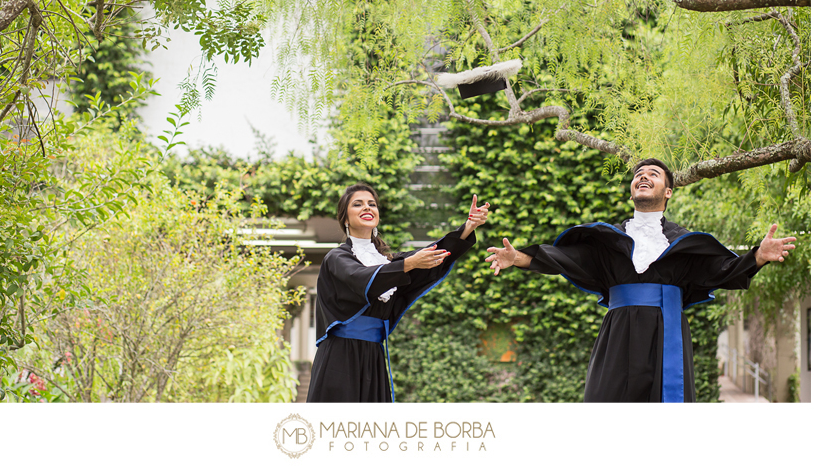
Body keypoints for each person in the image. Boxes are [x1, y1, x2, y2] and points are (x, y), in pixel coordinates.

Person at [485, 158, 795, 403]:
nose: (643, 177)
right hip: (617, 334)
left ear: (668, 191)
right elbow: (567, 259)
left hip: (667, 333)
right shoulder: (607, 240)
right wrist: (518, 258)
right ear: (632, 188)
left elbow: (722, 270)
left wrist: (758, 256)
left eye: (653, 174)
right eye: (639, 174)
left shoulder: (685, 243)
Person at [306, 183, 489, 402]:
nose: (367, 208)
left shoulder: (387, 261)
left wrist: (467, 228)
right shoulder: (336, 258)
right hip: (340, 357)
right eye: (358, 204)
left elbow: (432, 257)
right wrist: (409, 264)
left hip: (373, 355)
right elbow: (361, 278)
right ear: (345, 218)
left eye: (372, 204)